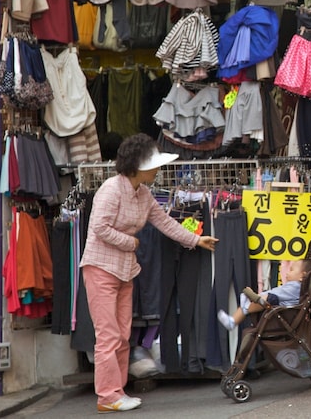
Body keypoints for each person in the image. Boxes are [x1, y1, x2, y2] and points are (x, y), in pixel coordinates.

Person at [81, 134, 219, 413]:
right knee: (108, 335)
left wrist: (195, 240)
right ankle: (108, 396)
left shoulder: (142, 194)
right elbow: (99, 227)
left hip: (125, 270)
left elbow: (164, 222)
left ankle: (116, 391)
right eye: (153, 165)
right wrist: (130, 242)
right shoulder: (110, 189)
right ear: (139, 167)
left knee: (121, 333)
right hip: (101, 268)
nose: (158, 170)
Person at [216, 259, 310, 330]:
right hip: (280, 309)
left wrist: (260, 296)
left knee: (269, 298)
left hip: (282, 314)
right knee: (264, 299)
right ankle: (233, 320)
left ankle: (246, 307)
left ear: (302, 276)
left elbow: (277, 295)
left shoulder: (295, 287)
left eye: (291, 270)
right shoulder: (295, 287)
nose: (287, 273)